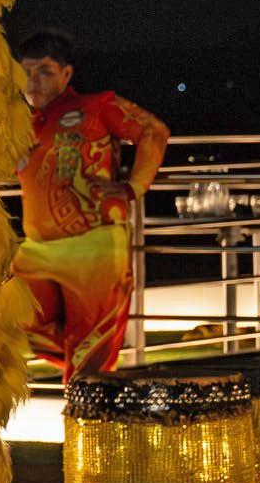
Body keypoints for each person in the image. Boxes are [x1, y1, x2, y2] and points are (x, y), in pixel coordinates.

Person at [13, 30, 169, 378]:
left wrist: (132, 187)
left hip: (94, 248)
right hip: (36, 251)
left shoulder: (96, 106)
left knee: (89, 360)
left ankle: (87, 406)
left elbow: (154, 132)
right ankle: (79, 360)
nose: (33, 82)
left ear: (66, 73)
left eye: (44, 72)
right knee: (4, 319)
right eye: (26, 72)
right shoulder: (22, 125)